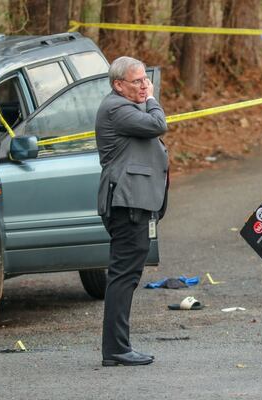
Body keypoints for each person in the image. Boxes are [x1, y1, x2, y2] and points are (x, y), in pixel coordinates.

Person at [95, 56, 168, 367]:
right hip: (126, 204)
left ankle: (118, 347)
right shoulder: (116, 108)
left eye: (145, 80)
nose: (144, 85)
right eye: (137, 81)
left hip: (133, 203)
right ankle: (115, 349)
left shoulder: (123, 106)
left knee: (126, 276)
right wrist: (152, 99)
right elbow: (157, 124)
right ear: (118, 84)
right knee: (123, 277)